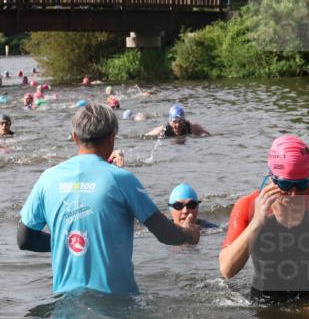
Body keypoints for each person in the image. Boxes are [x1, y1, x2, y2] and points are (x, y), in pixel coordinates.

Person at [18, 103, 200, 295]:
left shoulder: (48, 178)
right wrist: (189, 234)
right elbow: (165, 233)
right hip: (118, 304)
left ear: (74, 137)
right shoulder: (122, 179)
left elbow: (25, 239)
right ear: (112, 137)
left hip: (65, 302)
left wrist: (70, 242)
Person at [218, 135, 309, 303]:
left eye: (301, 185)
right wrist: (257, 222)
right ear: (271, 178)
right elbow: (226, 270)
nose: (294, 194)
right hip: (266, 299)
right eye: (285, 185)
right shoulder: (247, 205)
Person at [145, 104, 209, 138]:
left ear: (184, 121)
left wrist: (201, 136)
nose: (178, 125)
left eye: (180, 121)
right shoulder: (162, 130)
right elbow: (146, 137)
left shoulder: (192, 127)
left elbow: (207, 134)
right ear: (170, 121)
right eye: (175, 122)